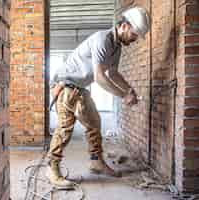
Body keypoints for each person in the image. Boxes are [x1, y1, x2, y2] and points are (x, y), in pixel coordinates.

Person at [47, 7, 151, 189]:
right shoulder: (103, 39)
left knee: (94, 123)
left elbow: (112, 72)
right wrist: (123, 95)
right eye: (134, 35)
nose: (134, 40)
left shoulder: (116, 46)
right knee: (65, 128)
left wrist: (129, 90)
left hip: (79, 87)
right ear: (124, 26)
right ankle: (52, 168)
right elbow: (100, 77)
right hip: (65, 85)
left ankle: (96, 162)